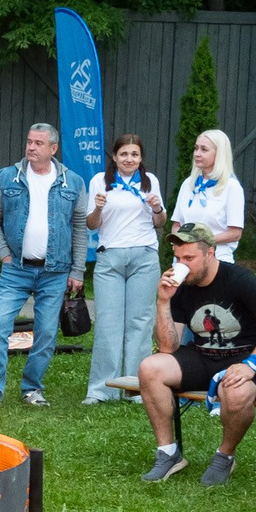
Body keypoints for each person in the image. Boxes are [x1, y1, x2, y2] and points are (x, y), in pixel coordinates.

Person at [137, 223, 256, 488]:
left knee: (234, 392)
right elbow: (167, 347)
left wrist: (252, 364)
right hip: (202, 356)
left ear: (210, 253)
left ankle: (225, 455)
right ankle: (168, 453)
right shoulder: (181, 286)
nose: (181, 264)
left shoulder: (238, 279)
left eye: (189, 258)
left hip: (244, 358)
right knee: (151, 368)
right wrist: (163, 302)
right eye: (177, 258)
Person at [0, 124, 85, 409]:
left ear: (53, 149)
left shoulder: (73, 182)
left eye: (38, 143)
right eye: (29, 142)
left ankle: (32, 389)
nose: (31, 147)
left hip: (56, 272)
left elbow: (81, 227)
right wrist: (4, 254)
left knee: (46, 333)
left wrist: (78, 270)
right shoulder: (6, 177)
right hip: (16, 270)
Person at [83, 134, 167, 403]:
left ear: (141, 158)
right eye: (124, 154)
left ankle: (135, 388)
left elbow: (160, 222)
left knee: (140, 323)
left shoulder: (149, 181)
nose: (129, 159)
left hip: (144, 256)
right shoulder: (100, 180)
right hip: (110, 258)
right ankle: (101, 389)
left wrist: (157, 208)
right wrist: (97, 209)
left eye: (134, 154)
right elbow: (92, 224)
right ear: (115, 157)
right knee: (108, 323)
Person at [169, 130, 246, 260]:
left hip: (217, 258)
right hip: (185, 259)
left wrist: (200, 243)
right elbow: (177, 224)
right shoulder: (189, 183)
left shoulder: (231, 187)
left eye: (204, 150)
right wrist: (180, 242)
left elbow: (235, 233)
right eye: (196, 148)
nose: (197, 154)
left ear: (219, 154)